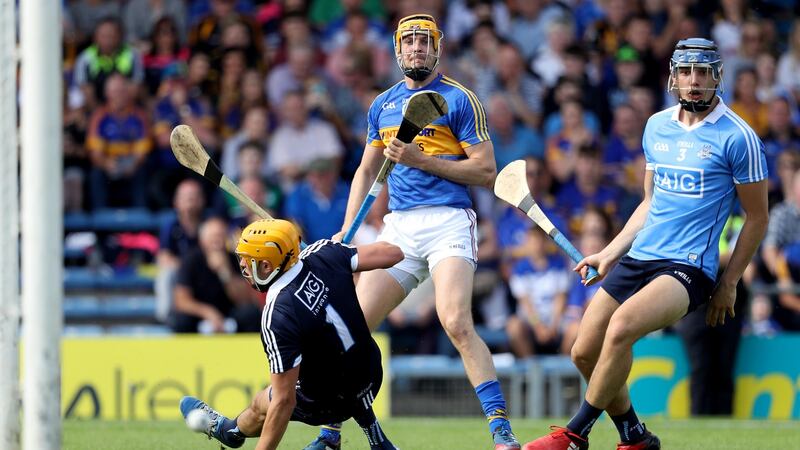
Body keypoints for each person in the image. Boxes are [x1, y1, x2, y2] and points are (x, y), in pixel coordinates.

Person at [524, 38, 769, 450]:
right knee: (583, 352)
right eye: (687, 72)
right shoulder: (656, 126)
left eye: (704, 72)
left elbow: (758, 218)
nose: (695, 81)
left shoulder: (739, 138)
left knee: (620, 330)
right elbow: (649, 203)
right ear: (674, 76)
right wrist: (609, 252)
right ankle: (634, 436)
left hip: (689, 268)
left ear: (717, 77)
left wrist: (729, 282)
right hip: (640, 257)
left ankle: (573, 435)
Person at [325, 14, 521, 450]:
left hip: (450, 219)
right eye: (408, 41)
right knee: (350, 327)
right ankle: (330, 430)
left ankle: (500, 429)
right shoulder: (383, 105)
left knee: (455, 321)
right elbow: (365, 170)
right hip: (399, 226)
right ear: (397, 50)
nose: (416, 48)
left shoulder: (460, 99)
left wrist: (421, 160)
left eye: (424, 41)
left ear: (438, 48)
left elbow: (487, 171)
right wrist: (346, 230)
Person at [179, 218, 404, 450]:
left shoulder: (277, 314)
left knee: (262, 402)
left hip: (328, 405)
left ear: (267, 266)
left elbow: (284, 401)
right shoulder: (325, 253)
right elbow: (394, 254)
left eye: (248, 261)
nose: (243, 266)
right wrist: (339, 250)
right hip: (372, 374)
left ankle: (230, 432)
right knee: (338, 356)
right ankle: (372, 440)